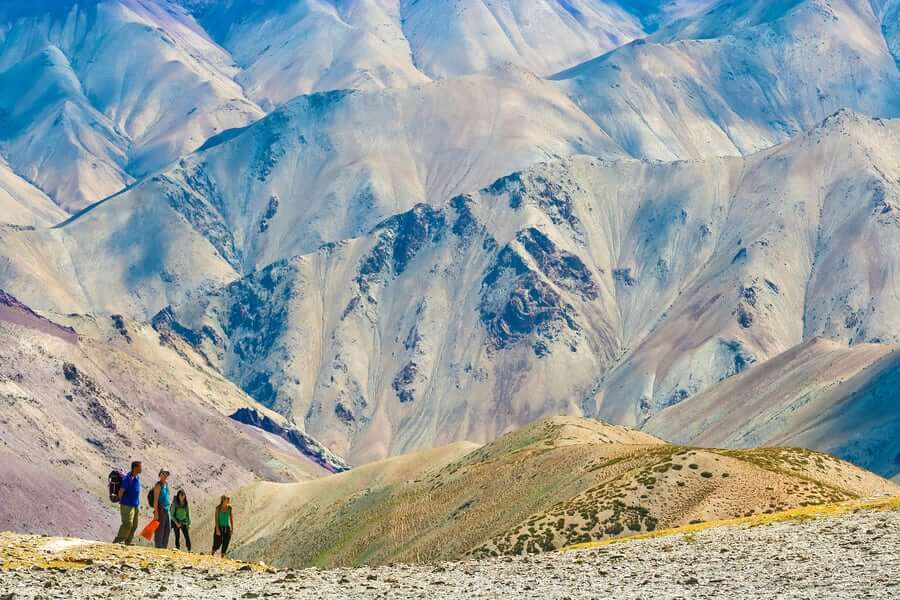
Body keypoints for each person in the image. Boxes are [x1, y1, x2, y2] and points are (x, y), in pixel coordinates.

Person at [113, 461, 142, 545]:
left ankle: (128, 542)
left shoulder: (137, 477)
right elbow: (121, 491)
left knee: (134, 525)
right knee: (127, 523)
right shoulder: (127, 479)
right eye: (140, 467)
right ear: (135, 468)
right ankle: (118, 541)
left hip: (135, 505)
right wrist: (122, 501)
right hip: (126, 505)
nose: (141, 469)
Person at [152, 469, 172, 549]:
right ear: (160, 474)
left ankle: (164, 546)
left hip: (167, 509)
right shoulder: (158, 485)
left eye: (167, 474)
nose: (166, 475)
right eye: (164, 473)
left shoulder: (166, 484)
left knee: (167, 528)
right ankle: (158, 546)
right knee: (160, 528)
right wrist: (156, 512)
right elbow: (155, 500)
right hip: (161, 509)